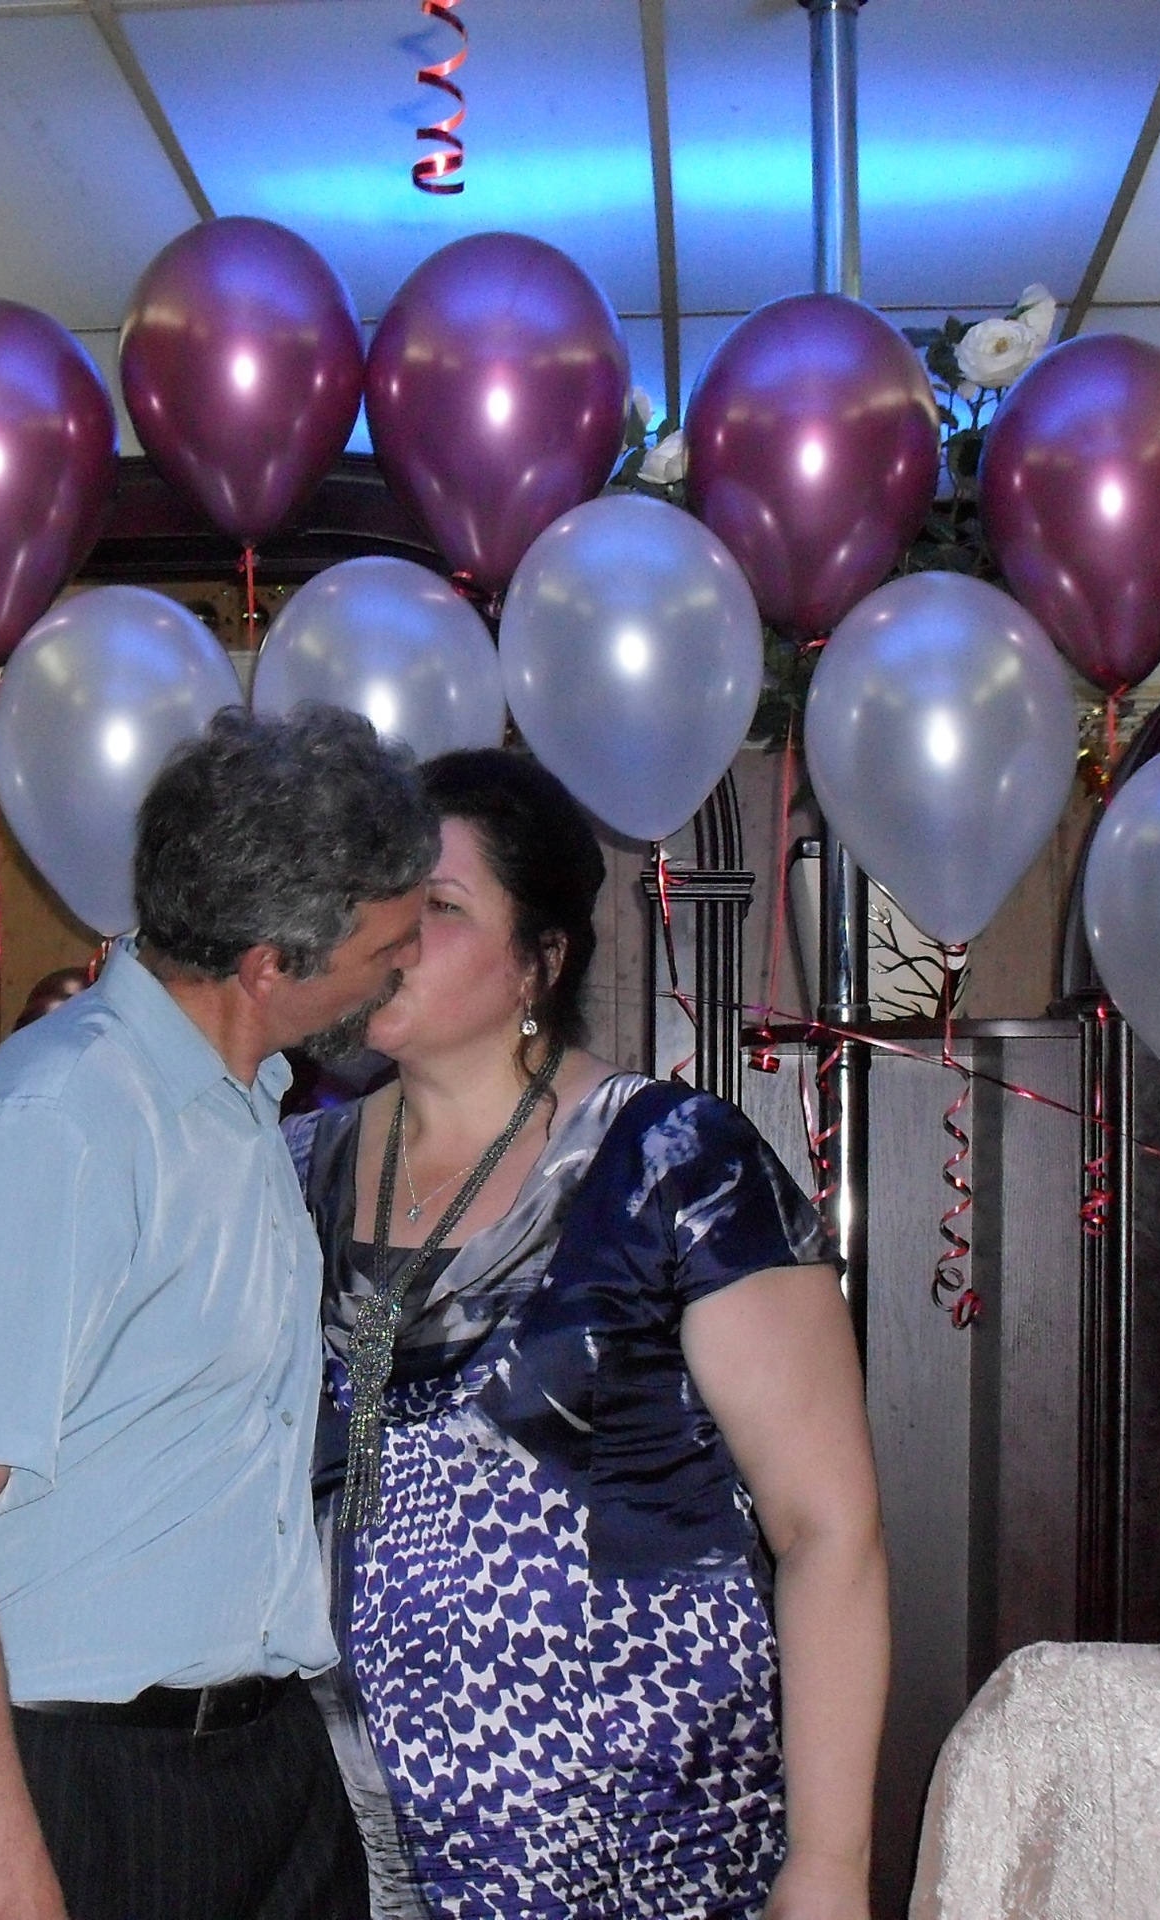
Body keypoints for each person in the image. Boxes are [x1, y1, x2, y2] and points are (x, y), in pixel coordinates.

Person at [0, 706, 441, 1920]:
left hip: (256, 1766)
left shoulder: (240, 1110)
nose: (409, 960)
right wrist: (17, 1897)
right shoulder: (59, 1123)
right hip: (66, 1782)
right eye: (389, 942)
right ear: (271, 964)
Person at [284, 749, 888, 1920]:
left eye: (439, 904)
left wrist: (829, 1863)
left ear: (541, 958)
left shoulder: (674, 1162)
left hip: (639, 1836)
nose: (389, 931)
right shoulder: (285, 1169)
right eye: (372, 898)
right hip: (347, 1834)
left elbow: (828, 1530)